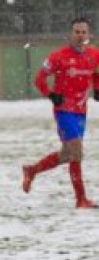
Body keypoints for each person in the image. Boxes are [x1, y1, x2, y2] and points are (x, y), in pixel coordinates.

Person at [23, 17, 99, 208]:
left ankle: (32, 170)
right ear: (70, 34)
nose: (80, 36)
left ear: (89, 35)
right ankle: (81, 199)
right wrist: (51, 95)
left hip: (81, 110)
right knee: (76, 151)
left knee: (67, 154)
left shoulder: (94, 54)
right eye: (77, 32)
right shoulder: (58, 56)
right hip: (64, 110)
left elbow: (97, 73)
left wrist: (97, 89)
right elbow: (39, 79)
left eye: (84, 32)